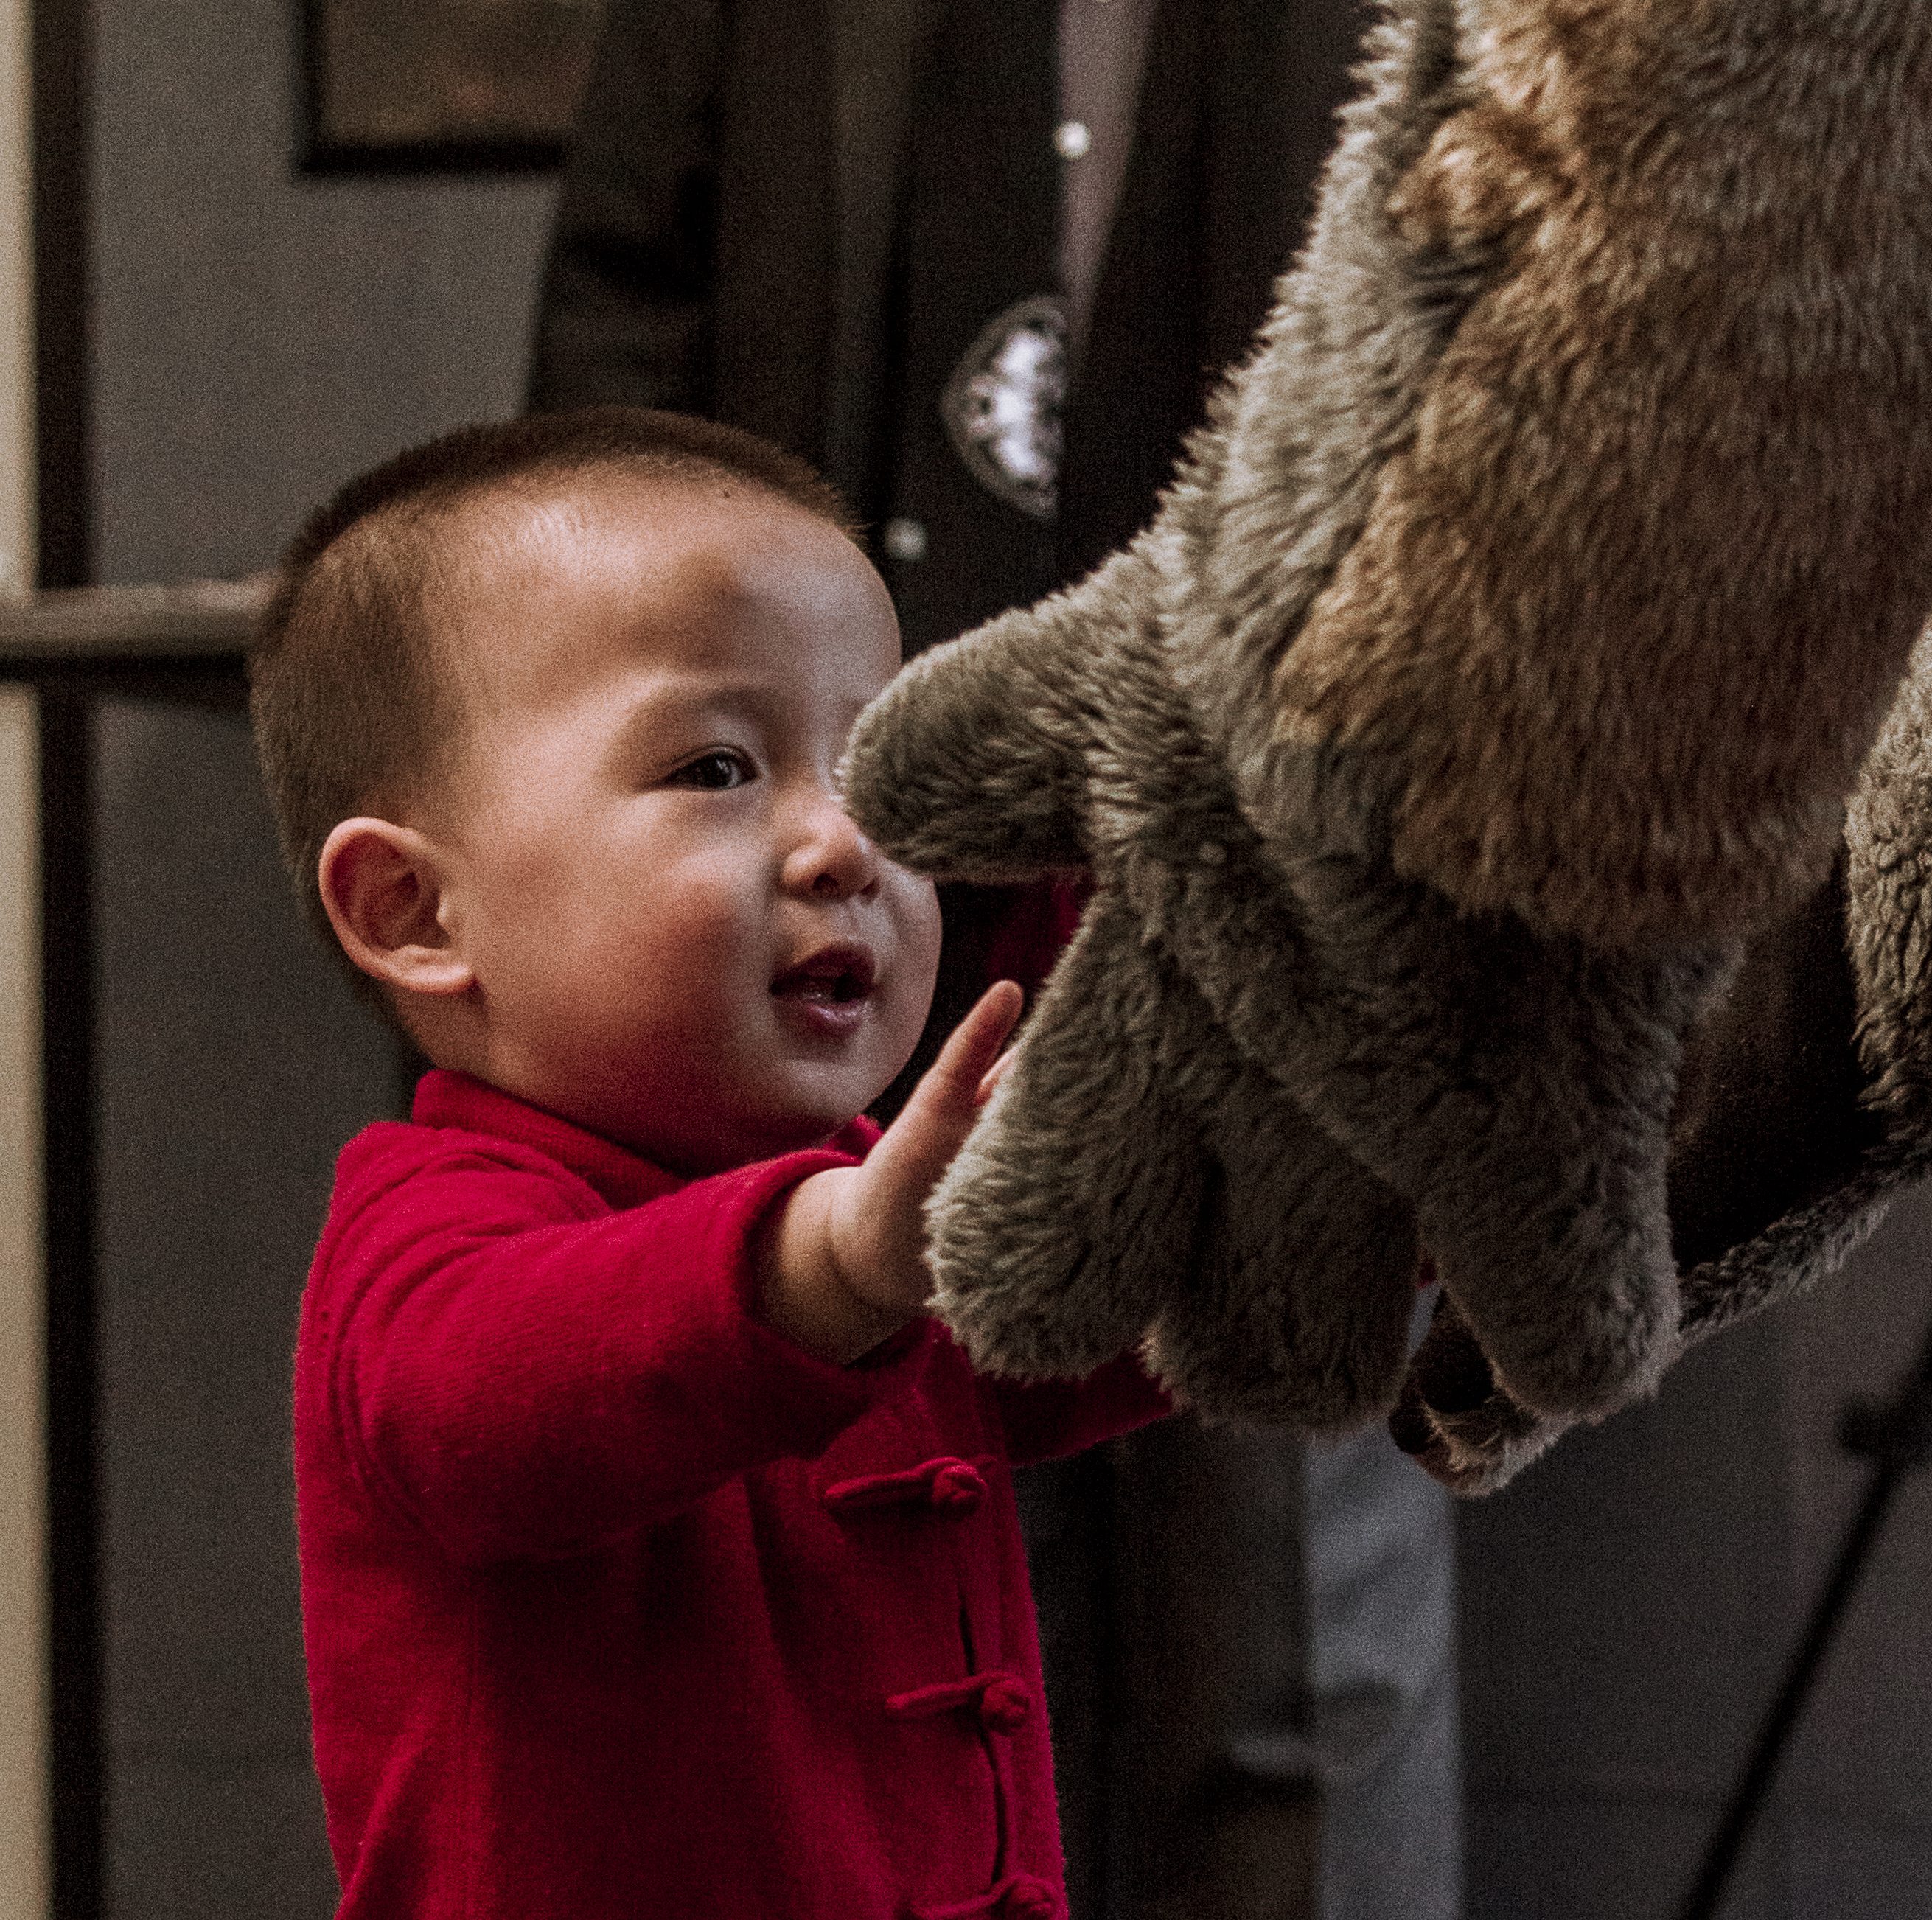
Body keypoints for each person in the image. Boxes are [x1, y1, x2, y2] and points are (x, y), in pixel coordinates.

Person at [527, 13, 1460, 1912]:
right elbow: (618, 368)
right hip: (828, 884)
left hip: (1280, 864)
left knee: (1285, 1625)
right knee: (850, 1605)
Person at [253, 406, 1166, 1918]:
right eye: (719, 766)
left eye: (880, 771)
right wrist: (837, 1258)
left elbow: (1099, 1306)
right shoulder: (427, 1232)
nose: (841, 844)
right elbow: (500, 1393)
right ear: (418, 911)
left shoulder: (872, 1187)